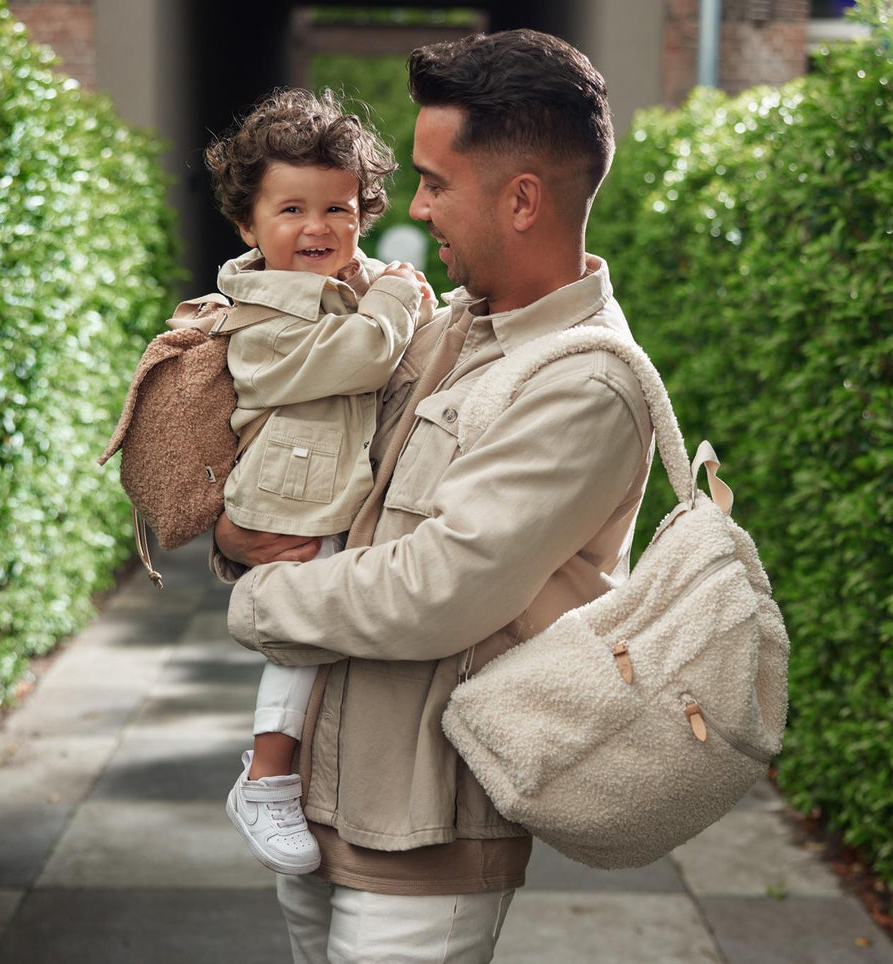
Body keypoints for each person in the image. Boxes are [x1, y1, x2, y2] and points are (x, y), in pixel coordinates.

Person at [215, 30, 654, 963]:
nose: (411, 208)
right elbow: (312, 467)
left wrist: (257, 598)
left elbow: (436, 589)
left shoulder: (583, 384)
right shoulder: (442, 325)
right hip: (317, 803)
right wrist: (233, 529)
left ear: (522, 198)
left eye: (433, 181)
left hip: (424, 831)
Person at [202, 88, 434, 876]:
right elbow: (366, 353)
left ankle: (285, 776)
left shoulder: (351, 287)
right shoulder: (257, 318)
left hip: (329, 486)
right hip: (291, 495)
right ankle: (265, 777)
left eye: (337, 209)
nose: (316, 229)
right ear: (246, 226)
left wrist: (383, 288)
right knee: (306, 638)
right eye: (291, 210)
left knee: (326, 640)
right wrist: (400, 293)